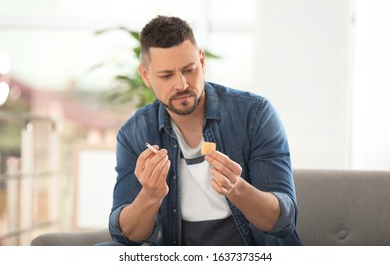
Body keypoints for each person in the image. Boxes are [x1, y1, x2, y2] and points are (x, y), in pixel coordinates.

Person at [107, 15, 302, 246]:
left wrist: (237, 188)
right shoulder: (135, 133)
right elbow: (126, 237)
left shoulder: (255, 114)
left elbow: (283, 221)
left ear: (202, 61)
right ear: (146, 76)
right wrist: (150, 195)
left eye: (189, 70)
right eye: (166, 75)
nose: (182, 85)